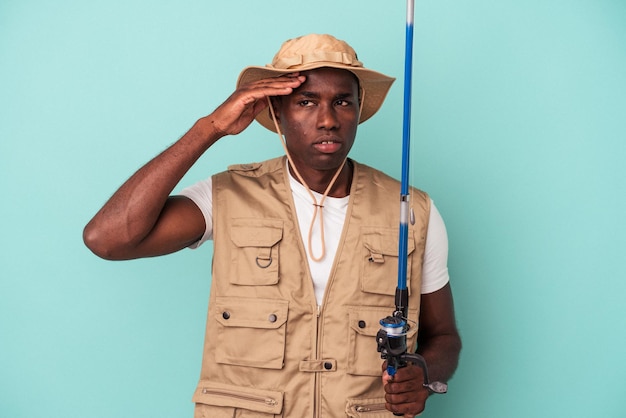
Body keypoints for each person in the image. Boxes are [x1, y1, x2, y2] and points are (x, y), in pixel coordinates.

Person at [84, 33, 461, 418]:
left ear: (358, 110)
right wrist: (209, 127)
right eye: (306, 102)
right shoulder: (227, 195)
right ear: (277, 112)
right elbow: (108, 239)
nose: (328, 120)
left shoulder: (412, 211)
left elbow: (444, 337)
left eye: (343, 102)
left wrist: (424, 374)